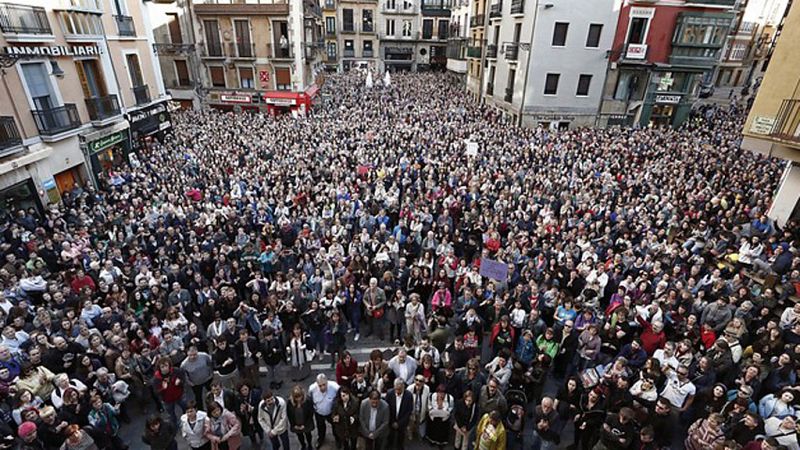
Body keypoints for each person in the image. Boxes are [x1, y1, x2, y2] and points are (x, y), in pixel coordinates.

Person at [308, 373, 340, 448]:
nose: (322, 387)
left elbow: (339, 400)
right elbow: (310, 399)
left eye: (324, 384)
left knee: (335, 427)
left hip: (331, 412)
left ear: (327, 382)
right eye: (320, 385)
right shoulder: (312, 389)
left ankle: (338, 439)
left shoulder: (335, 387)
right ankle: (321, 439)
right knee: (320, 427)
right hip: (319, 412)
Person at [386, 378, 413, 450]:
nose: (397, 392)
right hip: (391, 421)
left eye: (399, 390)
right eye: (396, 389)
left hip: (402, 422)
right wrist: (392, 422)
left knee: (400, 440)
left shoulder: (409, 395)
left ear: (403, 387)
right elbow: (387, 409)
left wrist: (399, 423)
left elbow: (408, 411)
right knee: (389, 440)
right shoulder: (389, 393)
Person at [287, 385, 315, 450]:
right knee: (299, 435)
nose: (298, 399)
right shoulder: (290, 403)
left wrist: (305, 425)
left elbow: (311, 413)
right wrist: (293, 425)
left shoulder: (307, 401)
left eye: (300, 396)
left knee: (308, 434)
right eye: (296, 397)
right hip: (296, 423)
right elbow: (289, 415)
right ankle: (303, 445)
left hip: (306, 422)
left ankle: (309, 445)